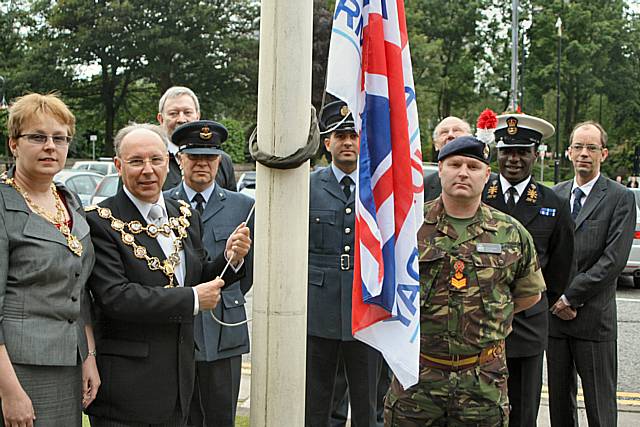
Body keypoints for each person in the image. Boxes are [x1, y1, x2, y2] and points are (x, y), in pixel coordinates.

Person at [84, 123, 251, 426]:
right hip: (127, 388)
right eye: (136, 161)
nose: (148, 170)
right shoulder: (100, 222)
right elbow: (116, 297)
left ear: (169, 162)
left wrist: (230, 259)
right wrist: (191, 300)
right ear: (119, 165)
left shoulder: (185, 215)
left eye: (156, 160)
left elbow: (196, 276)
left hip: (181, 380)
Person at [384, 135, 545, 426]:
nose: (463, 172)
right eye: (455, 164)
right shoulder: (408, 226)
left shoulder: (511, 233)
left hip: (482, 379)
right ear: (440, 170)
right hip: (417, 377)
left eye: (473, 166)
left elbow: (528, 295)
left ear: (487, 175)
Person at [0, 93, 100, 426]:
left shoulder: (69, 201)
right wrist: (9, 392)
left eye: (59, 138)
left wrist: (88, 358)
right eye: (37, 137)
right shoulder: (3, 204)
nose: (50, 147)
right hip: (17, 368)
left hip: (69, 364)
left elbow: (79, 290)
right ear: (14, 144)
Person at [483, 113, 574, 427]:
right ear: (497, 153)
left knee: (522, 413)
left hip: (526, 327)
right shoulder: (479, 196)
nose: (513, 159)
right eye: (507, 151)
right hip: (478, 324)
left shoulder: (553, 203)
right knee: (477, 411)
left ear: (536, 154)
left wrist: (533, 304)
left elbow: (562, 267)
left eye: (522, 151)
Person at [165, 120, 254, 427]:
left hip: (223, 328)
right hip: (177, 329)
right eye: (194, 156)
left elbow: (247, 273)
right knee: (179, 416)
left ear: (220, 160)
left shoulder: (243, 206)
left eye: (210, 157)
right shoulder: (162, 205)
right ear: (180, 159)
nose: (202, 164)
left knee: (220, 417)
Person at [548, 121, 636, 427]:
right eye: (579, 147)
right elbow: (545, 253)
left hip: (593, 320)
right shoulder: (555, 195)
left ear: (604, 154)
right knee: (559, 405)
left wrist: (570, 296)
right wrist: (555, 298)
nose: (584, 153)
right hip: (555, 321)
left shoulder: (619, 197)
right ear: (569, 152)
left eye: (592, 148)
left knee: (600, 407)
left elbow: (613, 260)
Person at [306, 100, 381, 427]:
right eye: (340, 136)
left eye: (353, 135)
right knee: (317, 399)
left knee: (368, 400)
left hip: (366, 305)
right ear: (327, 143)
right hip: (318, 307)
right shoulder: (307, 186)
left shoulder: (377, 187)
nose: (347, 142)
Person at [157, 86, 236, 191]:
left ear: (197, 117)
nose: (181, 119)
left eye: (187, 112)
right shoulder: (154, 161)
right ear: (161, 119)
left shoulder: (223, 161)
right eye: (173, 113)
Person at [424, 116, 471, 201]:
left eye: (456, 130)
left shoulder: (490, 183)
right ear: (436, 144)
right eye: (444, 132)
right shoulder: (423, 186)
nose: (450, 135)